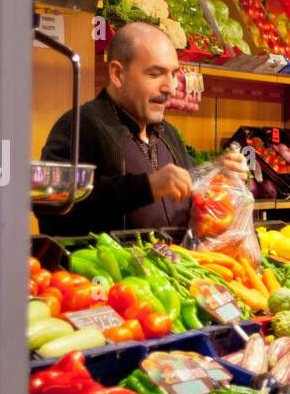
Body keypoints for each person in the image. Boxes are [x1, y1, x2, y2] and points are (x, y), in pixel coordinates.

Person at [35, 22, 248, 235]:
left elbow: (191, 186)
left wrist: (219, 173)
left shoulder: (169, 134)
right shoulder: (79, 126)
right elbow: (50, 210)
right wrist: (147, 187)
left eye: (174, 74)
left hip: (174, 266)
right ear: (118, 74)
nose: (170, 88)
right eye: (155, 74)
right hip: (107, 268)